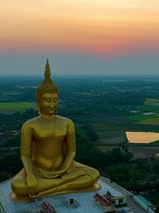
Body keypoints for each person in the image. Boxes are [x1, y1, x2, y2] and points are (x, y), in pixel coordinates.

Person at [11, 60, 100, 200]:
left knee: (94, 174)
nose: (52, 104)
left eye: (55, 100)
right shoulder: (30, 125)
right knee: (18, 186)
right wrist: (30, 175)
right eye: (47, 100)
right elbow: (25, 155)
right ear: (38, 101)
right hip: (38, 168)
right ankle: (63, 184)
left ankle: (52, 187)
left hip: (65, 167)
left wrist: (64, 168)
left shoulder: (67, 123)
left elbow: (71, 151)